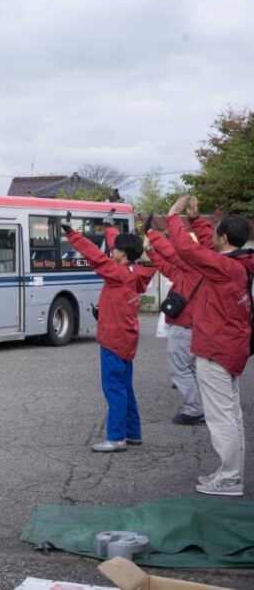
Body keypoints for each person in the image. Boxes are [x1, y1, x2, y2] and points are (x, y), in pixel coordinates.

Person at [165, 195, 254, 496]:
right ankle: (232, 474)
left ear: (225, 237)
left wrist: (173, 216)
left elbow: (188, 249)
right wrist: (195, 219)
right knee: (231, 414)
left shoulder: (224, 268)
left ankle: (230, 479)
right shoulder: (238, 262)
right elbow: (206, 247)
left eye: (216, 231)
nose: (211, 235)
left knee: (221, 417)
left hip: (216, 349)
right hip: (230, 347)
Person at [63, 211, 154, 453]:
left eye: (115, 249)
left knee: (113, 388)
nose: (111, 251)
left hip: (113, 339)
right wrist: (108, 227)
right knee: (125, 386)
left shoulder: (117, 274)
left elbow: (95, 257)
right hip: (127, 337)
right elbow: (117, 247)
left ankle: (116, 438)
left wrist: (72, 234)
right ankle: (133, 433)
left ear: (123, 254)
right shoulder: (134, 273)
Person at [142, 199, 214, 426]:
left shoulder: (194, 264)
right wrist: (151, 251)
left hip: (184, 326)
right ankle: (202, 406)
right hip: (194, 326)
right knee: (191, 368)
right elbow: (170, 267)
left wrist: (153, 234)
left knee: (180, 370)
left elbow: (173, 254)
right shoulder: (202, 267)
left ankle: (194, 410)